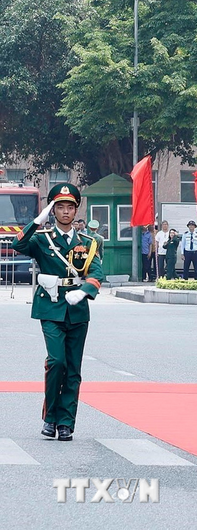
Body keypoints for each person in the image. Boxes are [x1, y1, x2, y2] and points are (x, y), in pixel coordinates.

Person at [12, 183, 104, 441]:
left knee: (73, 368)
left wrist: (84, 290)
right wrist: (35, 222)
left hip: (77, 309)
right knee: (57, 362)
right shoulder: (42, 240)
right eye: (60, 207)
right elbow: (16, 245)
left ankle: (66, 422)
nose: (65, 212)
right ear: (53, 210)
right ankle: (50, 417)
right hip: (50, 307)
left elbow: (96, 272)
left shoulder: (88, 242)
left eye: (70, 207)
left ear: (76, 210)